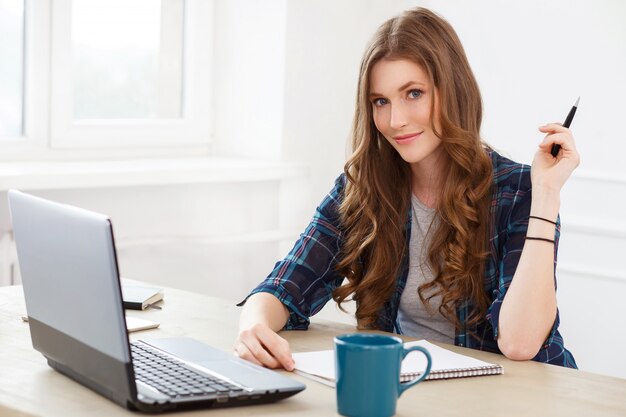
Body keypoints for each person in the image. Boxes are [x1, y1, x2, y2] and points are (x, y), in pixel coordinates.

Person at [235, 7, 579, 370]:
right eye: (380, 101)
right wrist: (253, 325)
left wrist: (546, 194)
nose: (395, 120)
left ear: (453, 91)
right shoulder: (365, 189)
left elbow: (520, 343)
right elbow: (285, 286)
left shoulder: (518, 191)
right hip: (418, 391)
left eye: (414, 93)